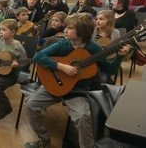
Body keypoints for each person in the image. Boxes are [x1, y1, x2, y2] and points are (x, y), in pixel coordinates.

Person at [24, 13, 131, 148]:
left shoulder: (93, 48)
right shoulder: (62, 44)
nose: (65, 30)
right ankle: (44, 140)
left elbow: (109, 70)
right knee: (30, 105)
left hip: (78, 90)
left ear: (81, 31)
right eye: (65, 27)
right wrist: (62, 67)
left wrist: (120, 57)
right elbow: (38, 56)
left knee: (83, 117)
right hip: (54, 85)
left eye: (69, 28)